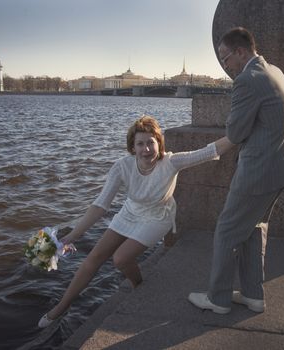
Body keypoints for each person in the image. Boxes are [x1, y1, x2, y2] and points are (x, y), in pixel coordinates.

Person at [38, 115, 234, 327]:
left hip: (158, 216)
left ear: (159, 143)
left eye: (151, 142)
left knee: (120, 259)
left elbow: (209, 152)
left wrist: (239, 134)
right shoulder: (123, 166)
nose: (146, 149)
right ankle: (60, 308)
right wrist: (70, 236)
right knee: (93, 259)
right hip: (130, 213)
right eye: (140, 144)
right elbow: (100, 205)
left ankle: (138, 284)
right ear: (132, 147)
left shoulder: (171, 162)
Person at [188, 27, 284, 315]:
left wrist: (258, 132)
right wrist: (271, 128)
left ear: (241, 52)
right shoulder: (274, 70)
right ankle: (253, 296)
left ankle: (218, 299)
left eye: (225, 58)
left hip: (258, 170)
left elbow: (236, 132)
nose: (225, 65)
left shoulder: (246, 81)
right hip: (282, 165)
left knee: (227, 230)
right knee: (253, 229)